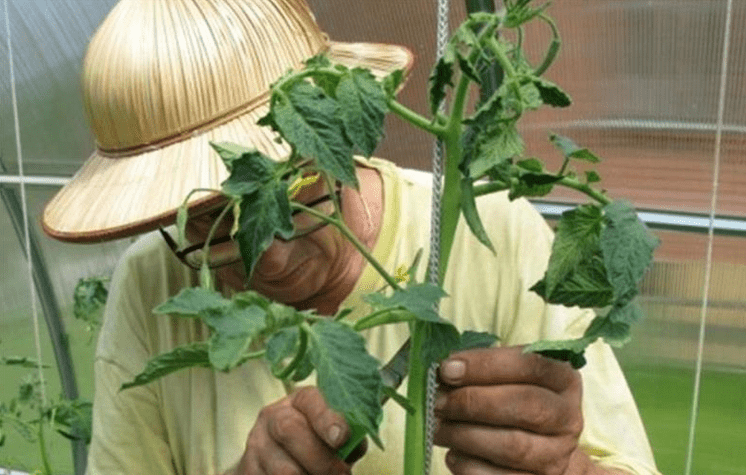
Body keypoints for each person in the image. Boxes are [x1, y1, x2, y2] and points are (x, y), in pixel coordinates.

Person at [41, 0, 661, 474]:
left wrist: (564, 466)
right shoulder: (153, 283)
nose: (272, 255)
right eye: (210, 222)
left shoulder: (496, 233)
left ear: (340, 124)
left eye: (297, 184)